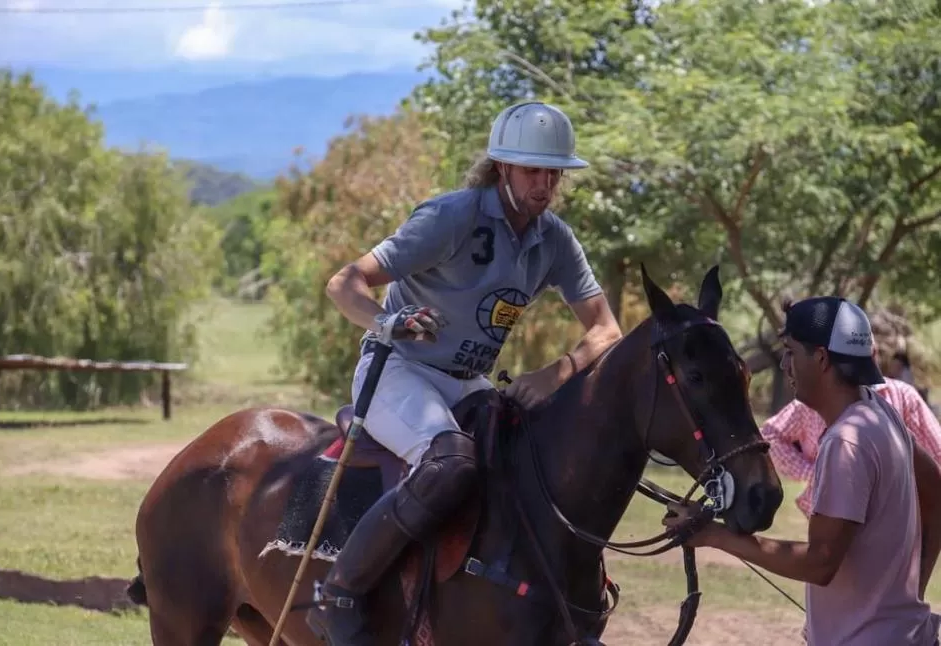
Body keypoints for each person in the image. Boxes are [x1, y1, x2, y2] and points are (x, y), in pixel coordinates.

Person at [306, 101, 623, 645]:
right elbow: (344, 283)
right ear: (501, 166)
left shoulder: (555, 240)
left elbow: (606, 330)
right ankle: (340, 595)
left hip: (468, 381)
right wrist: (389, 321)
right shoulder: (451, 216)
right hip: (398, 371)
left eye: (554, 172)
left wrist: (556, 372)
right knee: (450, 463)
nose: (544, 183)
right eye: (532, 170)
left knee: (525, 460)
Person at [664, 296, 941, 646]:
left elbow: (820, 563)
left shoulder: (847, 443)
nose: (783, 364)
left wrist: (712, 535)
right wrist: (909, 592)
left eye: (791, 352)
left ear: (822, 359)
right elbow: (937, 492)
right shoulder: (881, 412)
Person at [762, 339, 941, 518]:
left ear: (873, 355)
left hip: (894, 521)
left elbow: (938, 451)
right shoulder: (811, 402)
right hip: (831, 517)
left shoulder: (902, 396)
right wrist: (811, 472)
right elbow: (771, 435)